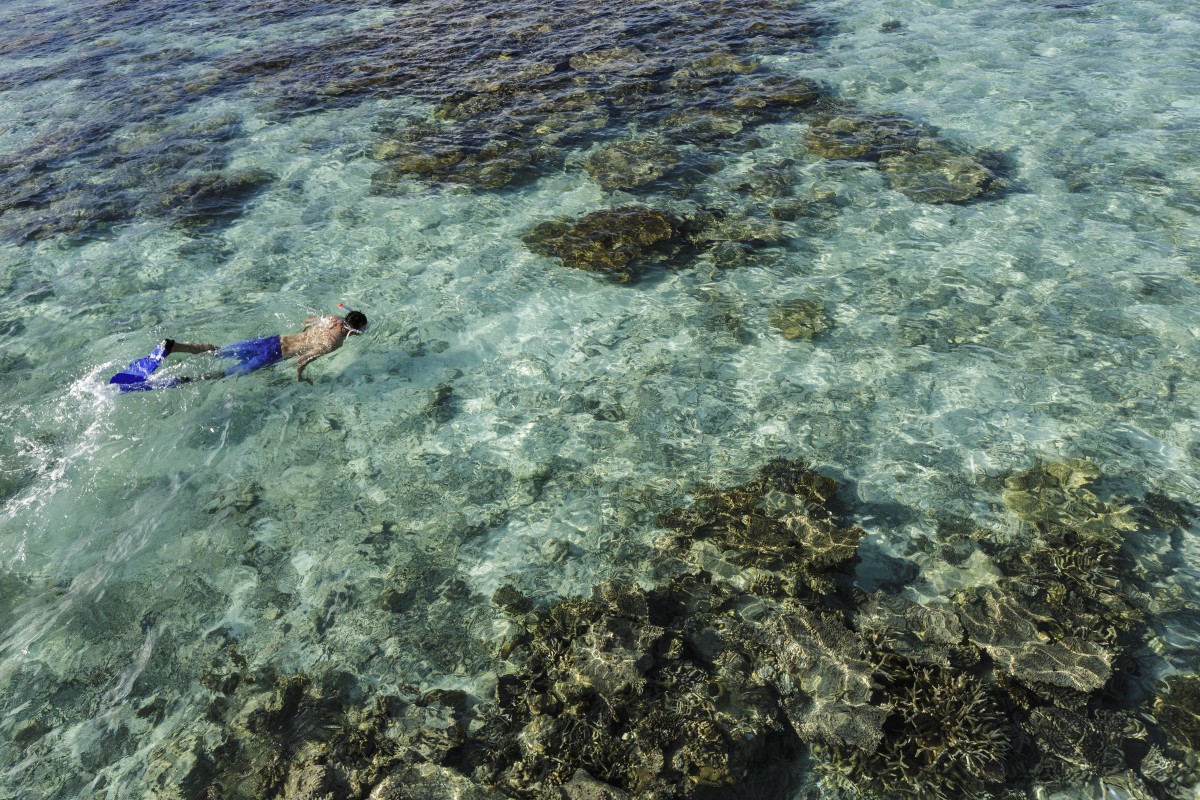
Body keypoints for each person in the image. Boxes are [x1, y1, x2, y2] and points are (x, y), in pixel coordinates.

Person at [109, 307, 368, 391]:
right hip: (275, 355)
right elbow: (302, 361)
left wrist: (304, 336)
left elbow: (307, 322)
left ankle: (175, 346)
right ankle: (180, 380)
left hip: (271, 340)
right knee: (226, 374)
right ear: (353, 331)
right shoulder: (335, 343)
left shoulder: (331, 318)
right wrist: (301, 377)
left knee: (218, 351)